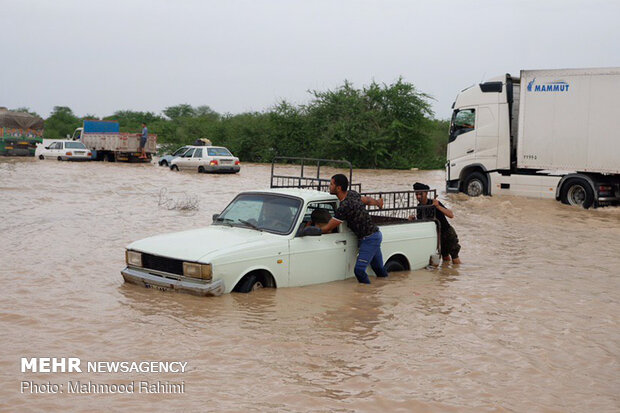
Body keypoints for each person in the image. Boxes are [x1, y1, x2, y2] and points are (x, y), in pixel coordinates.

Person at [320, 174, 388, 284]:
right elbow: (367, 200)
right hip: (373, 235)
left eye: (331, 184)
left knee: (359, 270)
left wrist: (314, 229)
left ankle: (367, 295)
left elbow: (328, 228)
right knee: (379, 270)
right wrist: (378, 203)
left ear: (338, 188)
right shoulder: (352, 194)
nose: (329, 186)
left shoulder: (344, 207)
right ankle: (384, 288)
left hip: (369, 238)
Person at [410, 182, 462, 264]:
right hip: (437, 236)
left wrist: (438, 206)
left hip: (447, 233)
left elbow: (451, 215)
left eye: (421, 194)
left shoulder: (434, 203)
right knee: (445, 258)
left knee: (455, 258)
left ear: (426, 193)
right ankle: (448, 275)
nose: (418, 196)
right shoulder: (419, 207)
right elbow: (422, 222)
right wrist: (413, 220)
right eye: (416, 194)